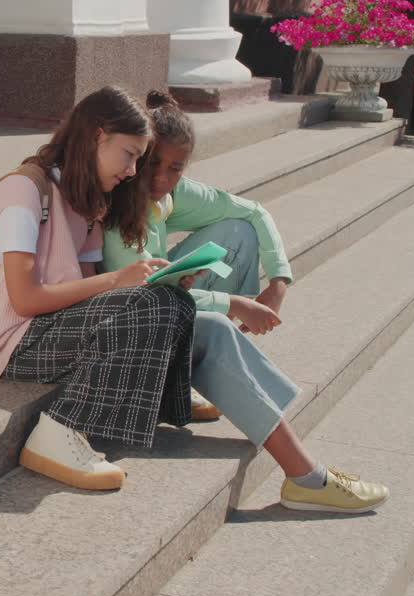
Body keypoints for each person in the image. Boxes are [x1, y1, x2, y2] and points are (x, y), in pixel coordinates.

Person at [0, 86, 388, 513]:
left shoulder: (84, 198)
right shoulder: (23, 192)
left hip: (64, 326)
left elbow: (92, 290)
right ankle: (59, 428)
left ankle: (306, 476)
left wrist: (144, 286)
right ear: (98, 136)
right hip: (16, 341)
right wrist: (123, 282)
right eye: (131, 155)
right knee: (158, 302)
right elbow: (23, 300)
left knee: (204, 324)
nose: (134, 171)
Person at [101, 91, 295, 420]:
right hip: (126, 314)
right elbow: (144, 292)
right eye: (153, 164)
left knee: (237, 233)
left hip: (164, 294)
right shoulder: (118, 207)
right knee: (265, 409)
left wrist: (278, 282)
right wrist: (234, 304)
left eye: (175, 168)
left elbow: (255, 212)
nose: (162, 177)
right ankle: (187, 370)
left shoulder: (172, 192)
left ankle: (194, 362)